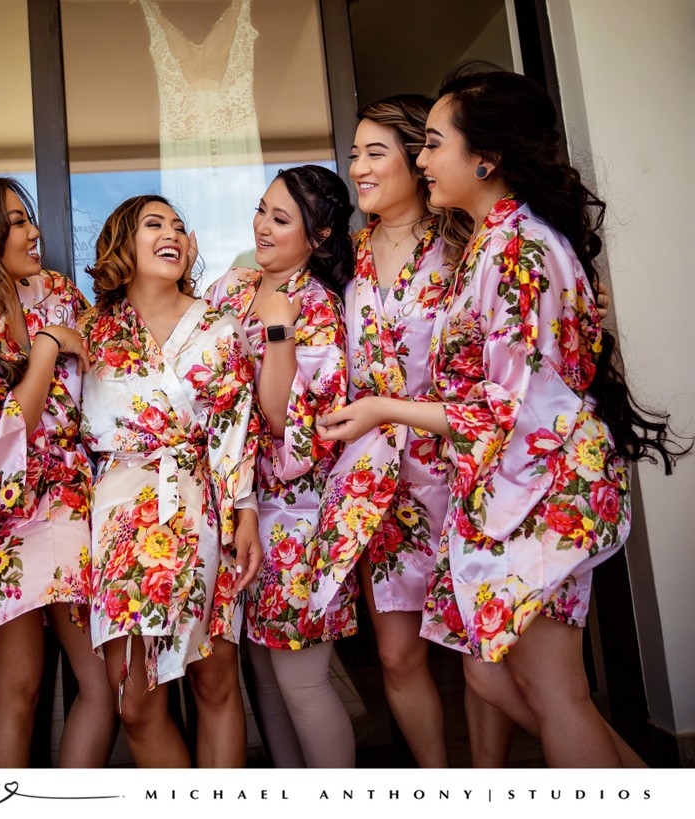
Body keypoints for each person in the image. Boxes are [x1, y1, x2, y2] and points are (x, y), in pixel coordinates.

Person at [319, 66, 688, 767]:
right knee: (491, 672)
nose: (420, 159)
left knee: (553, 690)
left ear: (484, 156)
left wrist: (379, 407)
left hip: (540, 487)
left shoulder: (517, 247)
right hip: (508, 486)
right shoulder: (492, 241)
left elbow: (504, 405)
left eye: (431, 144)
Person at [305, 96, 515, 768]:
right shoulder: (342, 257)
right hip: (380, 481)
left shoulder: (463, 239)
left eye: (376, 152)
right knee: (397, 653)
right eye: (355, 152)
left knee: (480, 647)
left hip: (463, 467)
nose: (358, 166)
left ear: (416, 159)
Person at [0, 172, 117, 768]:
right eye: (16, 223)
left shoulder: (58, 292)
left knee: (104, 687)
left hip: (75, 503)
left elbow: (107, 381)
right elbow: (1, 432)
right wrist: (46, 350)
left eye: (28, 218)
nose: (34, 233)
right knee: (17, 692)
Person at [79, 194, 261, 767]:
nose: (173, 234)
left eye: (180, 227)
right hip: (117, 515)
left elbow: (235, 428)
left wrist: (245, 511)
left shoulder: (217, 325)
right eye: (154, 224)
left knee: (214, 682)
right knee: (134, 701)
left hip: (204, 505)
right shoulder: (90, 331)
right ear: (121, 242)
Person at [204, 165, 355, 768]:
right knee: (262, 676)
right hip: (235, 510)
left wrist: (278, 332)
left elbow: (282, 425)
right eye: (262, 210)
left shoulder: (318, 308)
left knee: (303, 680)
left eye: (281, 218)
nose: (262, 227)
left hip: (296, 515)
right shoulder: (230, 288)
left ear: (318, 237)